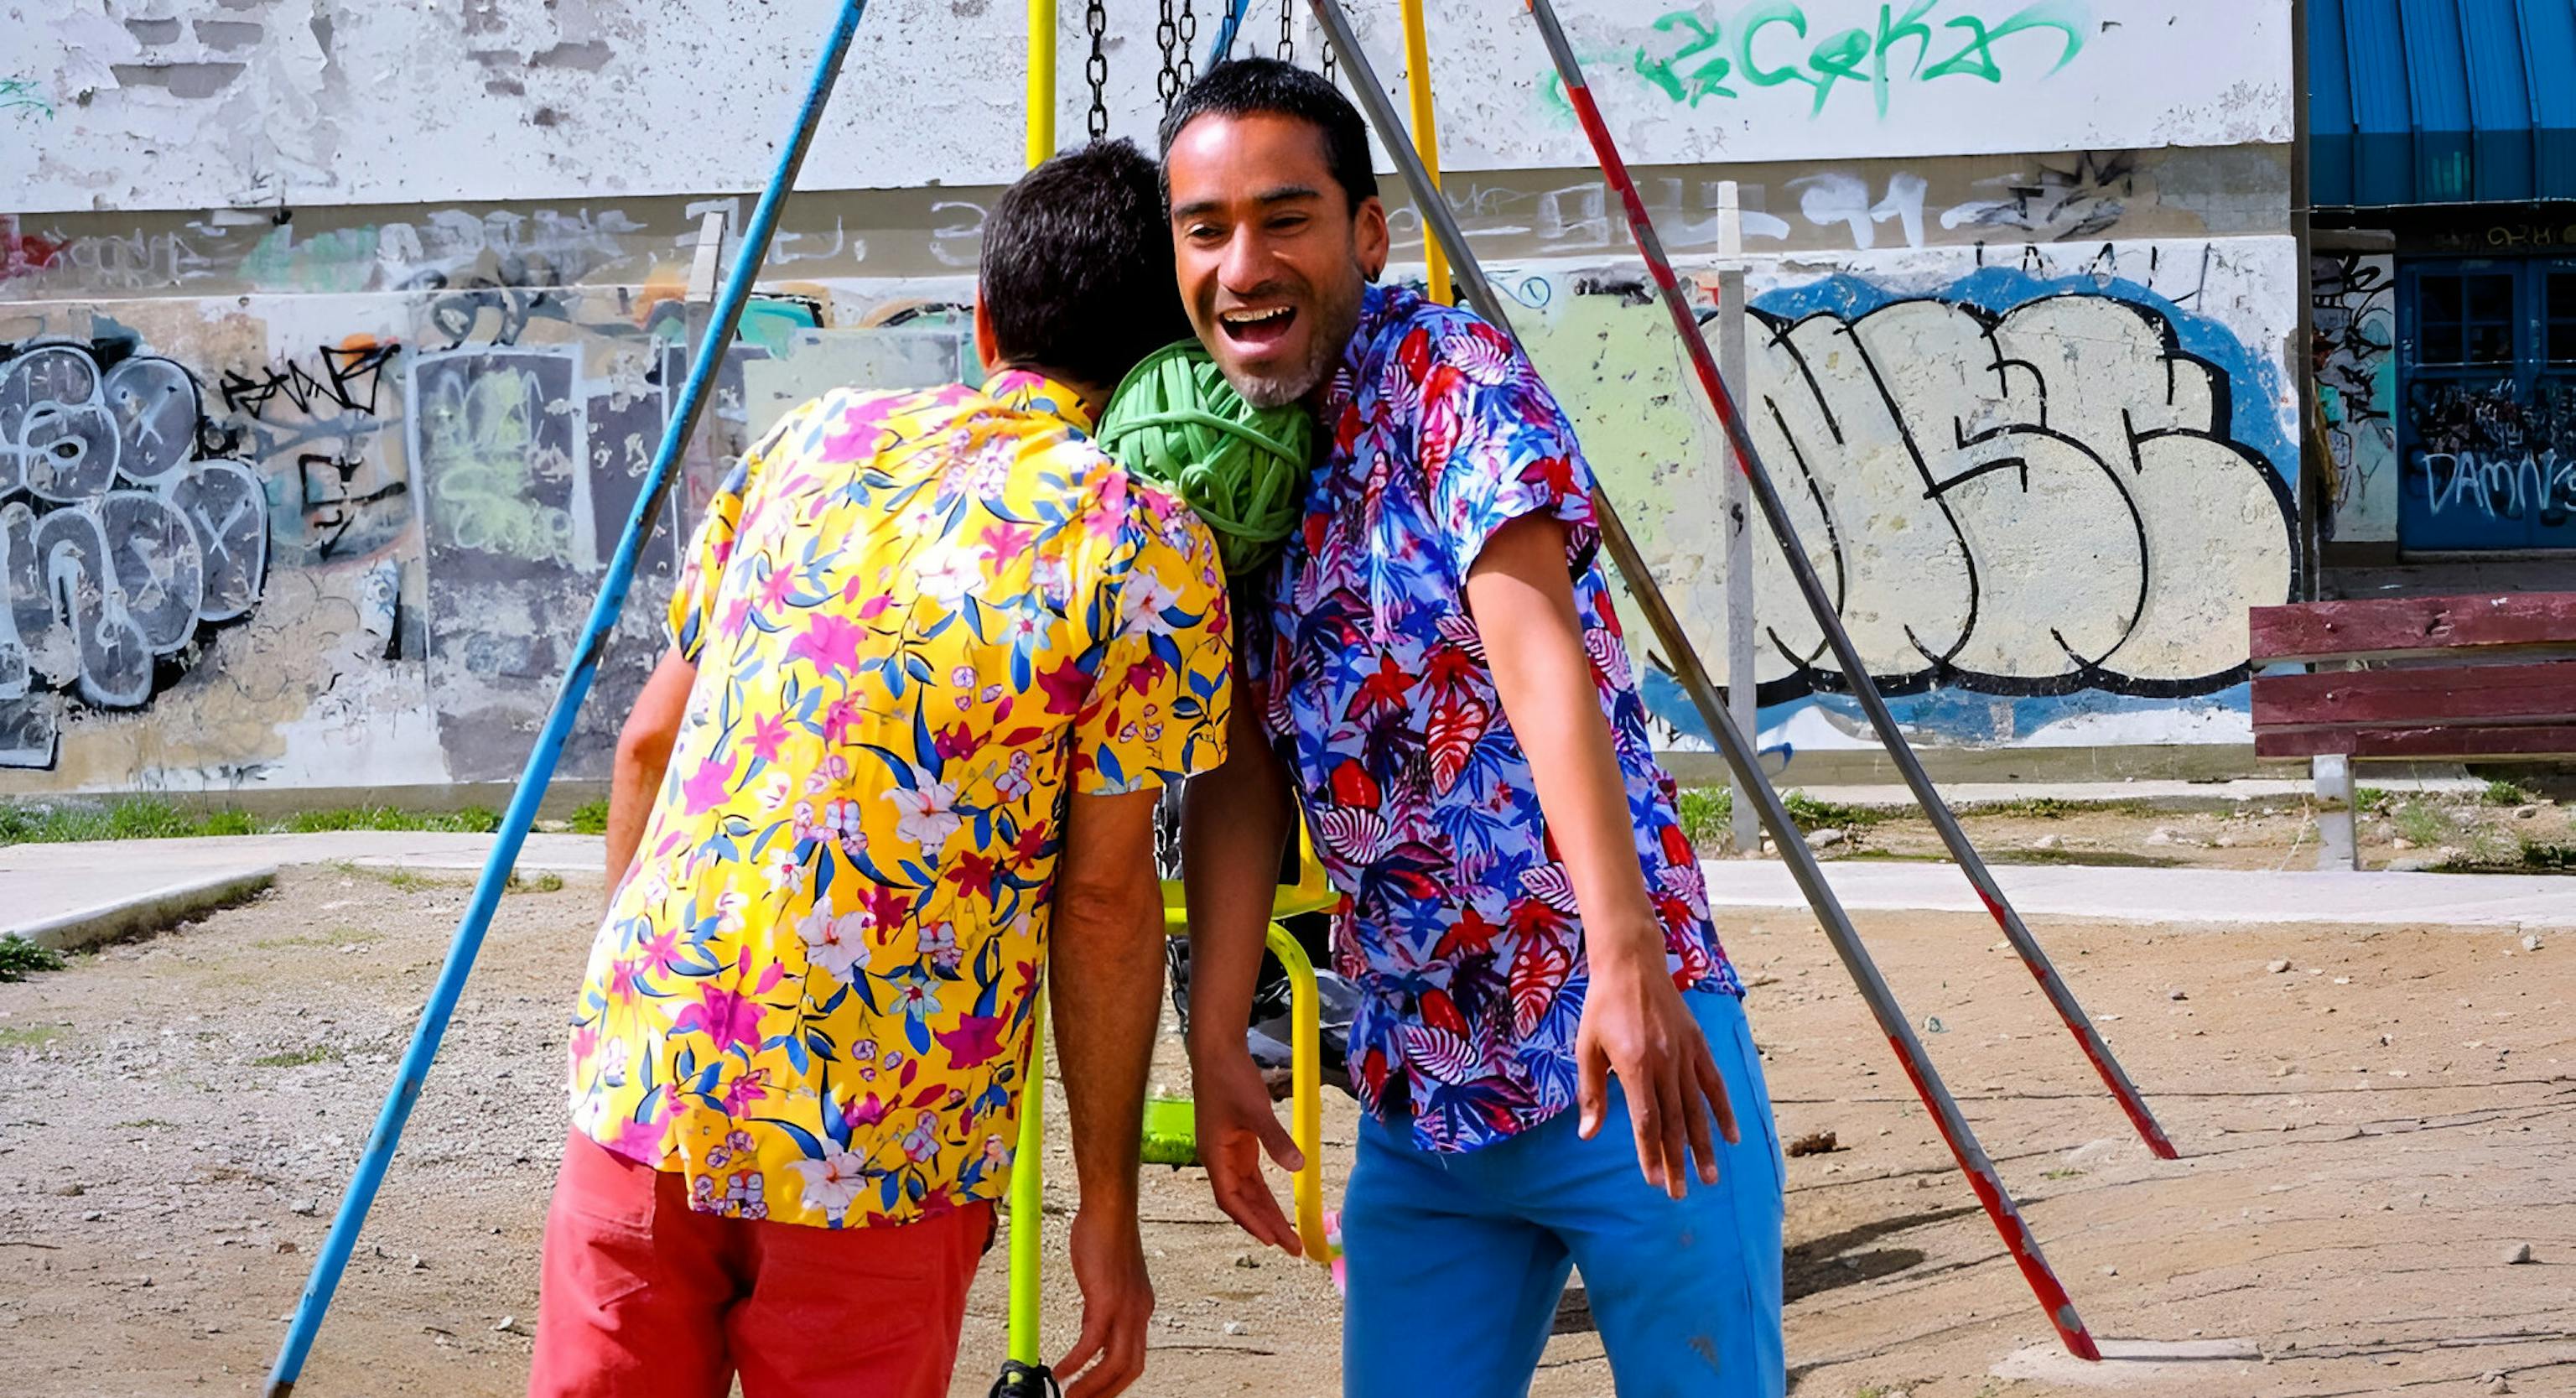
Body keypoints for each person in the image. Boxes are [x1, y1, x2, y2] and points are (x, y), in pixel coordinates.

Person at [529, 138, 1232, 1398]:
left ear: (979, 320)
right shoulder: (1144, 541)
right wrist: (1106, 1208)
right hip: (882, 1136)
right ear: (1164, 363)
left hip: (647, 1091)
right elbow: (1108, 901)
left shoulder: (806, 445)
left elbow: (647, 744)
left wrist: (638, 1015)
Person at [1163, 60, 1785, 1398]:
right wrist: (1217, 1035)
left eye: (1287, 218)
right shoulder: (1230, 464)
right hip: (1422, 1098)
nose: (1245, 264)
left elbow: (1534, 648)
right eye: (1206, 229)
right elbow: (1239, 766)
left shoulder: (1444, 373)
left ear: (1366, 235)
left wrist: (1626, 960)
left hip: (1621, 1054)